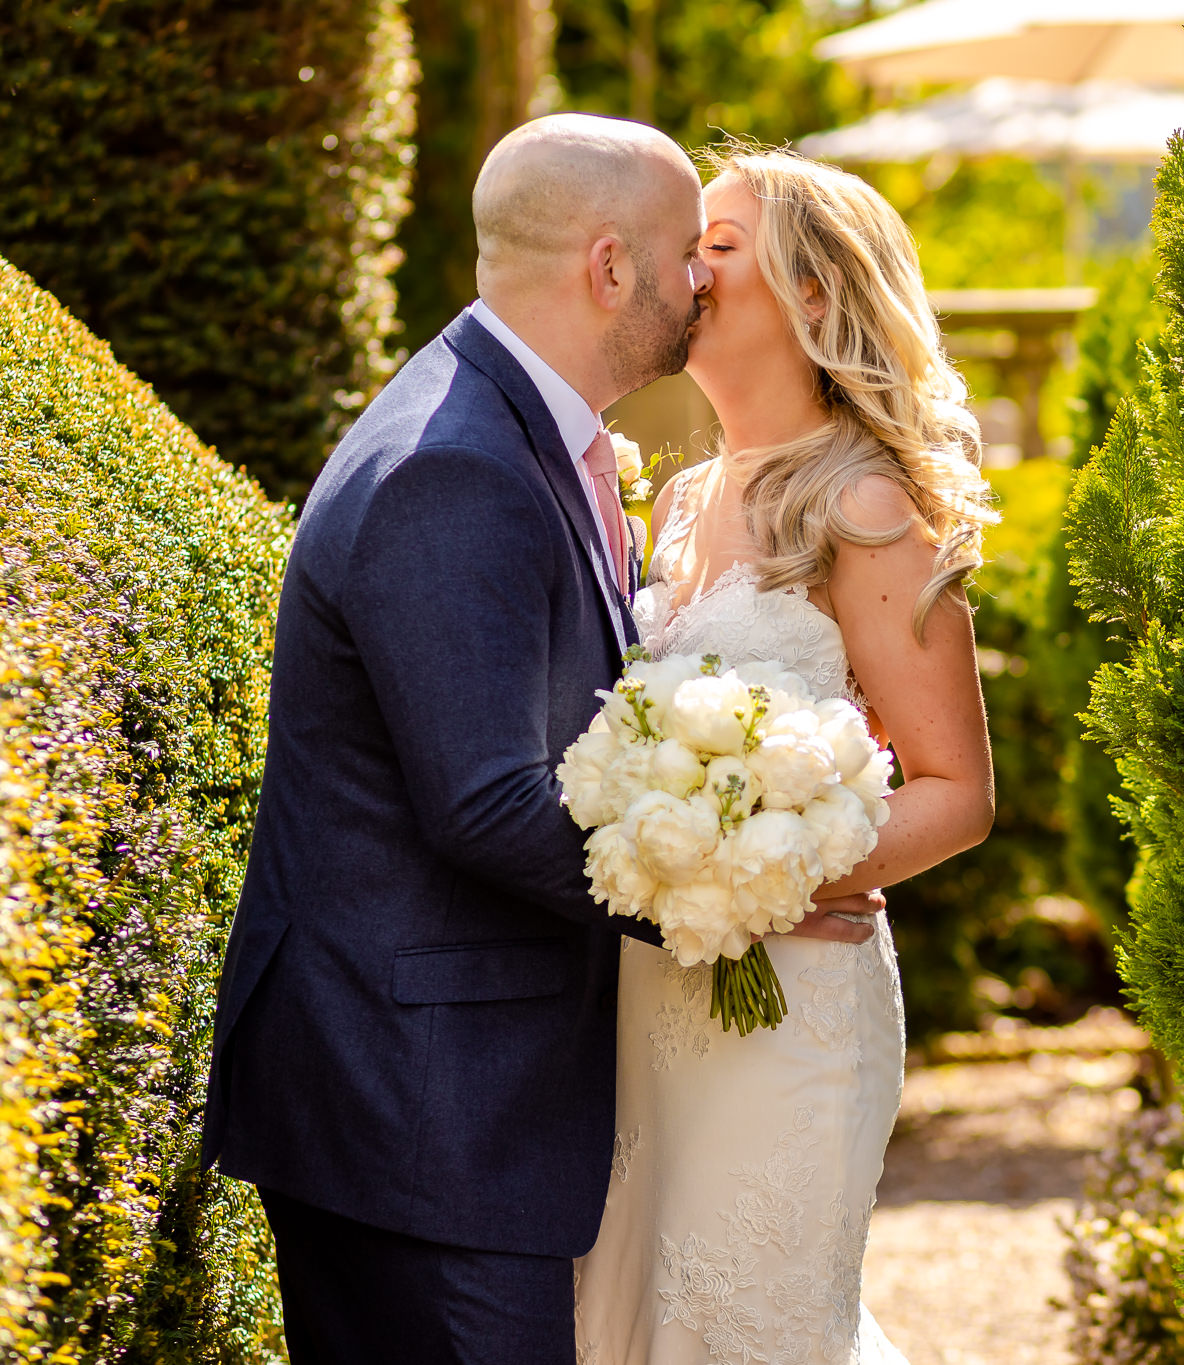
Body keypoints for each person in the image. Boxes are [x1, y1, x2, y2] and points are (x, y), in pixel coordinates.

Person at [200, 115, 880, 1365]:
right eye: (689, 255)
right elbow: (486, 804)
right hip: (417, 1107)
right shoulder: (453, 467)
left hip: (466, 1096)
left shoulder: (523, 432)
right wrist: (745, 893)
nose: (702, 285)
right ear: (610, 268)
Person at [571, 148, 996, 1363]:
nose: (684, 265)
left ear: (812, 295)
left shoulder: (864, 507)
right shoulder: (680, 499)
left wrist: (765, 880)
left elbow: (958, 791)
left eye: (717, 243)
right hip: (652, 995)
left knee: (748, 1323)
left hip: (792, 998)